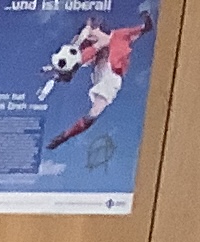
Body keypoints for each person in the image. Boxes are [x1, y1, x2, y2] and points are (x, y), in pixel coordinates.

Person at [47, 11, 154, 150]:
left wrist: (146, 19)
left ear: (97, 27)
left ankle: (66, 135)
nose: (88, 36)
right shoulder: (91, 49)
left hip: (110, 76)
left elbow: (144, 29)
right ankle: (67, 135)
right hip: (101, 74)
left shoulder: (120, 35)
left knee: (93, 113)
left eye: (90, 31)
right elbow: (77, 61)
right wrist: (61, 73)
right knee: (93, 113)